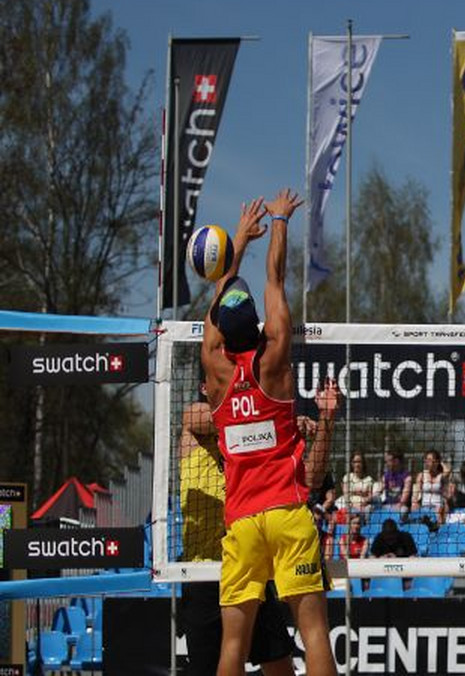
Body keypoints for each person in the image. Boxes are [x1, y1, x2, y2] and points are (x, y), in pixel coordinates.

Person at [200, 189, 335, 676]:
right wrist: (279, 220)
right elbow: (275, 278)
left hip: (242, 521)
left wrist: (235, 240)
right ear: (255, 326)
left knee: (231, 649)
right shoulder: (274, 359)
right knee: (315, 634)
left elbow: (216, 314)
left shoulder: (214, 372)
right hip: (287, 513)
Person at [178, 377, 335, 676]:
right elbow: (205, 419)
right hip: (206, 571)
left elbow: (311, 482)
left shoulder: (259, 444)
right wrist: (279, 420)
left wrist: (318, 422)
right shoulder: (195, 424)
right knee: (211, 665)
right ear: (204, 388)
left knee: (278, 663)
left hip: (251, 563)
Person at [412, 450, 450, 524]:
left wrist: (440, 462)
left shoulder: (441, 476)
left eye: (431, 460)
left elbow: (447, 471)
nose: (428, 462)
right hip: (425, 506)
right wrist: (415, 502)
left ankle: (439, 529)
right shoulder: (421, 475)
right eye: (427, 460)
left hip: (438, 506)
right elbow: (416, 493)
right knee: (415, 509)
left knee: (439, 512)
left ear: (436, 461)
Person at [376, 450, 412, 515]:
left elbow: (404, 498)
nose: (386, 464)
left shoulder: (407, 477)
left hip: (400, 507)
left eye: (388, 461)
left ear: (396, 461)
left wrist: (399, 505)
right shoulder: (386, 475)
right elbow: (379, 490)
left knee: (403, 511)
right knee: (369, 508)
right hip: (386, 505)